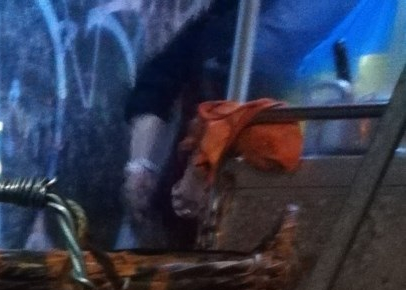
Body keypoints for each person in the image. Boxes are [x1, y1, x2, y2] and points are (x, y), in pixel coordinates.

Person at [122, 0, 375, 243]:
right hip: (197, 197)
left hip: (274, 191)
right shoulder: (236, 11)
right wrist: (140, 166)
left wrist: (202, 166)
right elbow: (161, 77)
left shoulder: (316, 10)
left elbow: (248, 71)